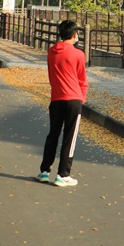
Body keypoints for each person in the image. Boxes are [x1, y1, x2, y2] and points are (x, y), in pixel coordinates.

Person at [37, 19, 88, 187]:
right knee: (69, 137)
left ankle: (45, 171)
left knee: (53, 134)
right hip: (73, 98)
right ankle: (63, 174)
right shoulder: (79, 54)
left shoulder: (51, 52)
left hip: (56, 98)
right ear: (74, 35)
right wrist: (82, 97)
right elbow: (82, 79)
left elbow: (51, 75)